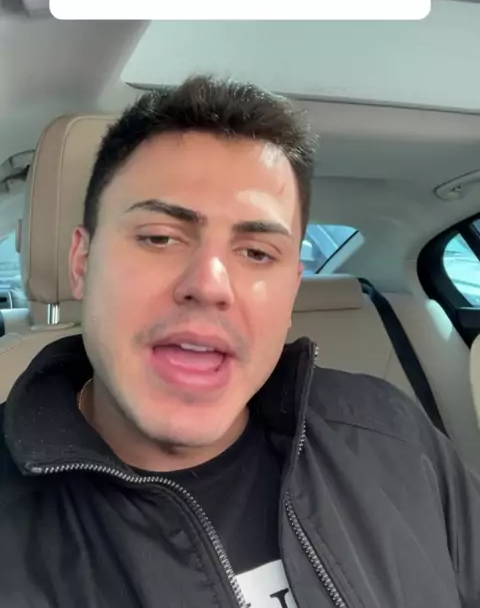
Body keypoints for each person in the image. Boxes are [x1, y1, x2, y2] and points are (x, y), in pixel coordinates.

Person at [1, 75, 479, 608]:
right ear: (81, 263)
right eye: (159, 237)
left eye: (256, 253)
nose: (209, 285)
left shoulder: (392, 434)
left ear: (291, 290)